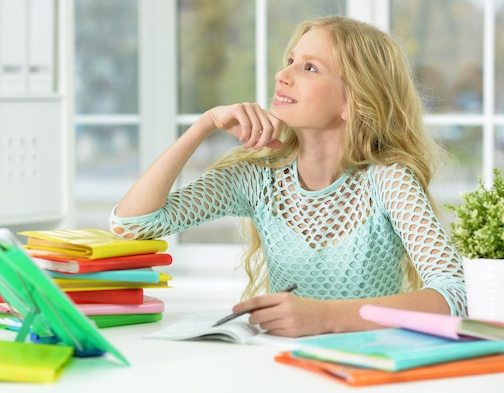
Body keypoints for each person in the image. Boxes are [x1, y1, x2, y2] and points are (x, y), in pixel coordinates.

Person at [109, 15, 466, 337]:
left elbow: (455, 294)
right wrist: (204, 125)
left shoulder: (387, 179)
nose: (283, 75)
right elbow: (131, 225)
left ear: (351, 101)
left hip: (369, 364)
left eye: (309, 68)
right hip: (281, 366)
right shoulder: (257, 177)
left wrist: (325, 316)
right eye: (290, 61)